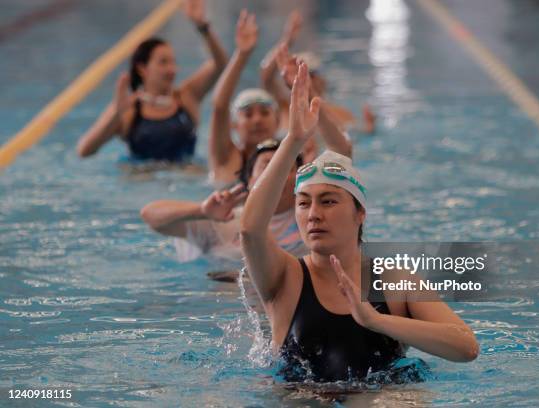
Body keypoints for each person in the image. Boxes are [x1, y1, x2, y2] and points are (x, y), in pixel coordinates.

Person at [240, 63, 479, 383]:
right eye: (304, 203)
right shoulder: (285, 277)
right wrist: (293, 140)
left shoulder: (395, 282)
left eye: (328, 201)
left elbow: (466, 347)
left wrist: (377, 321)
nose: (313, 214)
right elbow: (250, 230)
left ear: (360, 212)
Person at [209, 10, 352, 185]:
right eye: (248, 114)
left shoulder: (293, 162)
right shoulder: (226, 159)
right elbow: (219, 107)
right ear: (234, 125)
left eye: (264, 113)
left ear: (278, 121)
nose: (257, 120)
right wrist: (242, 54)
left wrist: (308, 95)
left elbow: (342, 151)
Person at [77, 0, 227, 162]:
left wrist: (203, 27)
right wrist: (116, 117)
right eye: (163, 62)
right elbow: (85, 150)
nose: (172, 69)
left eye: (173, 62)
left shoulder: (186, 96)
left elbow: (221, 65)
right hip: (142, 183)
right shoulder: (128, 107)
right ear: (143, 69)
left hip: (186, 177)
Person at [140, 139, 307, 267]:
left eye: (285, 167)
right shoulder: (225, 219)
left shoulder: (310, 221)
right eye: (267, 165)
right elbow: (150, 215)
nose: (275, 174)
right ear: (249, 179)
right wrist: (201, 211)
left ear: (300, 180)